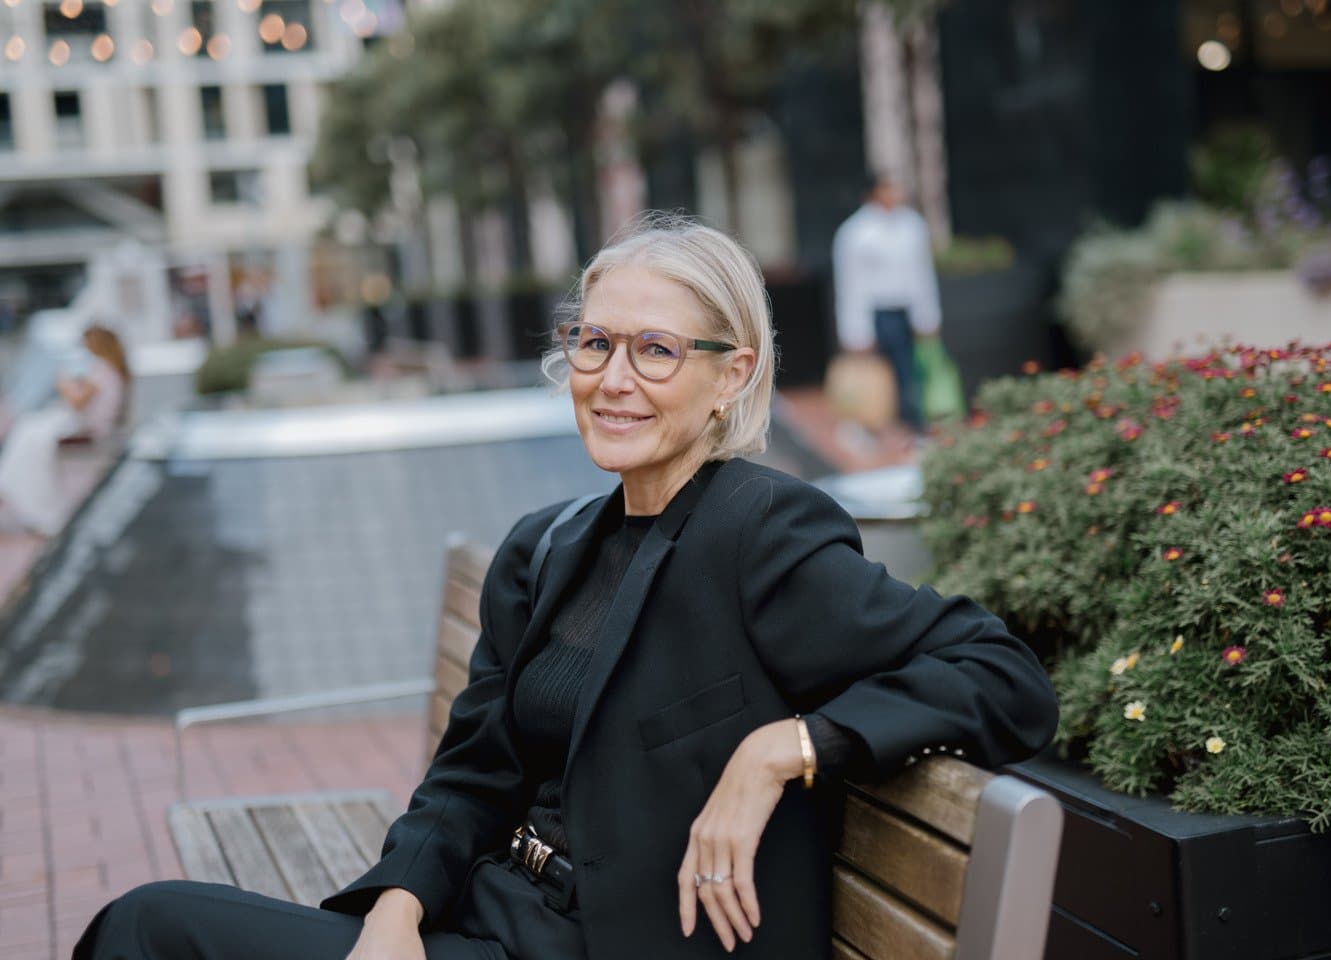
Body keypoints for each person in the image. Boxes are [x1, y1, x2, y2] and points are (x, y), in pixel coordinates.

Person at [73, 215, 1056, 960]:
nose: (612, 377)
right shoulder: (548, 547)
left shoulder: (761, 531)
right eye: (595, 341)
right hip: (493, 922)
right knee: (152, 928)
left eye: (656, 350)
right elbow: (469, 778)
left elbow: (1001, 672)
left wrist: (781, 748)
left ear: (732, 376)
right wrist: (395, 913)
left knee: (149, 932)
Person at [831, 174, 944, 432]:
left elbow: (921, 274)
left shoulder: (912, 226)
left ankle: (912, 427)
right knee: (873, 377)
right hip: (876, 314)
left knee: (908, 373)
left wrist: (927, 316)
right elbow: (851, 284)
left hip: (905, 310)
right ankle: (868, 427)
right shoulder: (855, 233)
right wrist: (855, 331)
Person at [0, 325, 129, 536]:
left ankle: (31, 501)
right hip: (88, 423)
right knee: (30, 430)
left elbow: (77, 403)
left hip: (89, 427)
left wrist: (64, 383)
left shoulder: (101, 370)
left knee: (31, 432)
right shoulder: (110, 370)